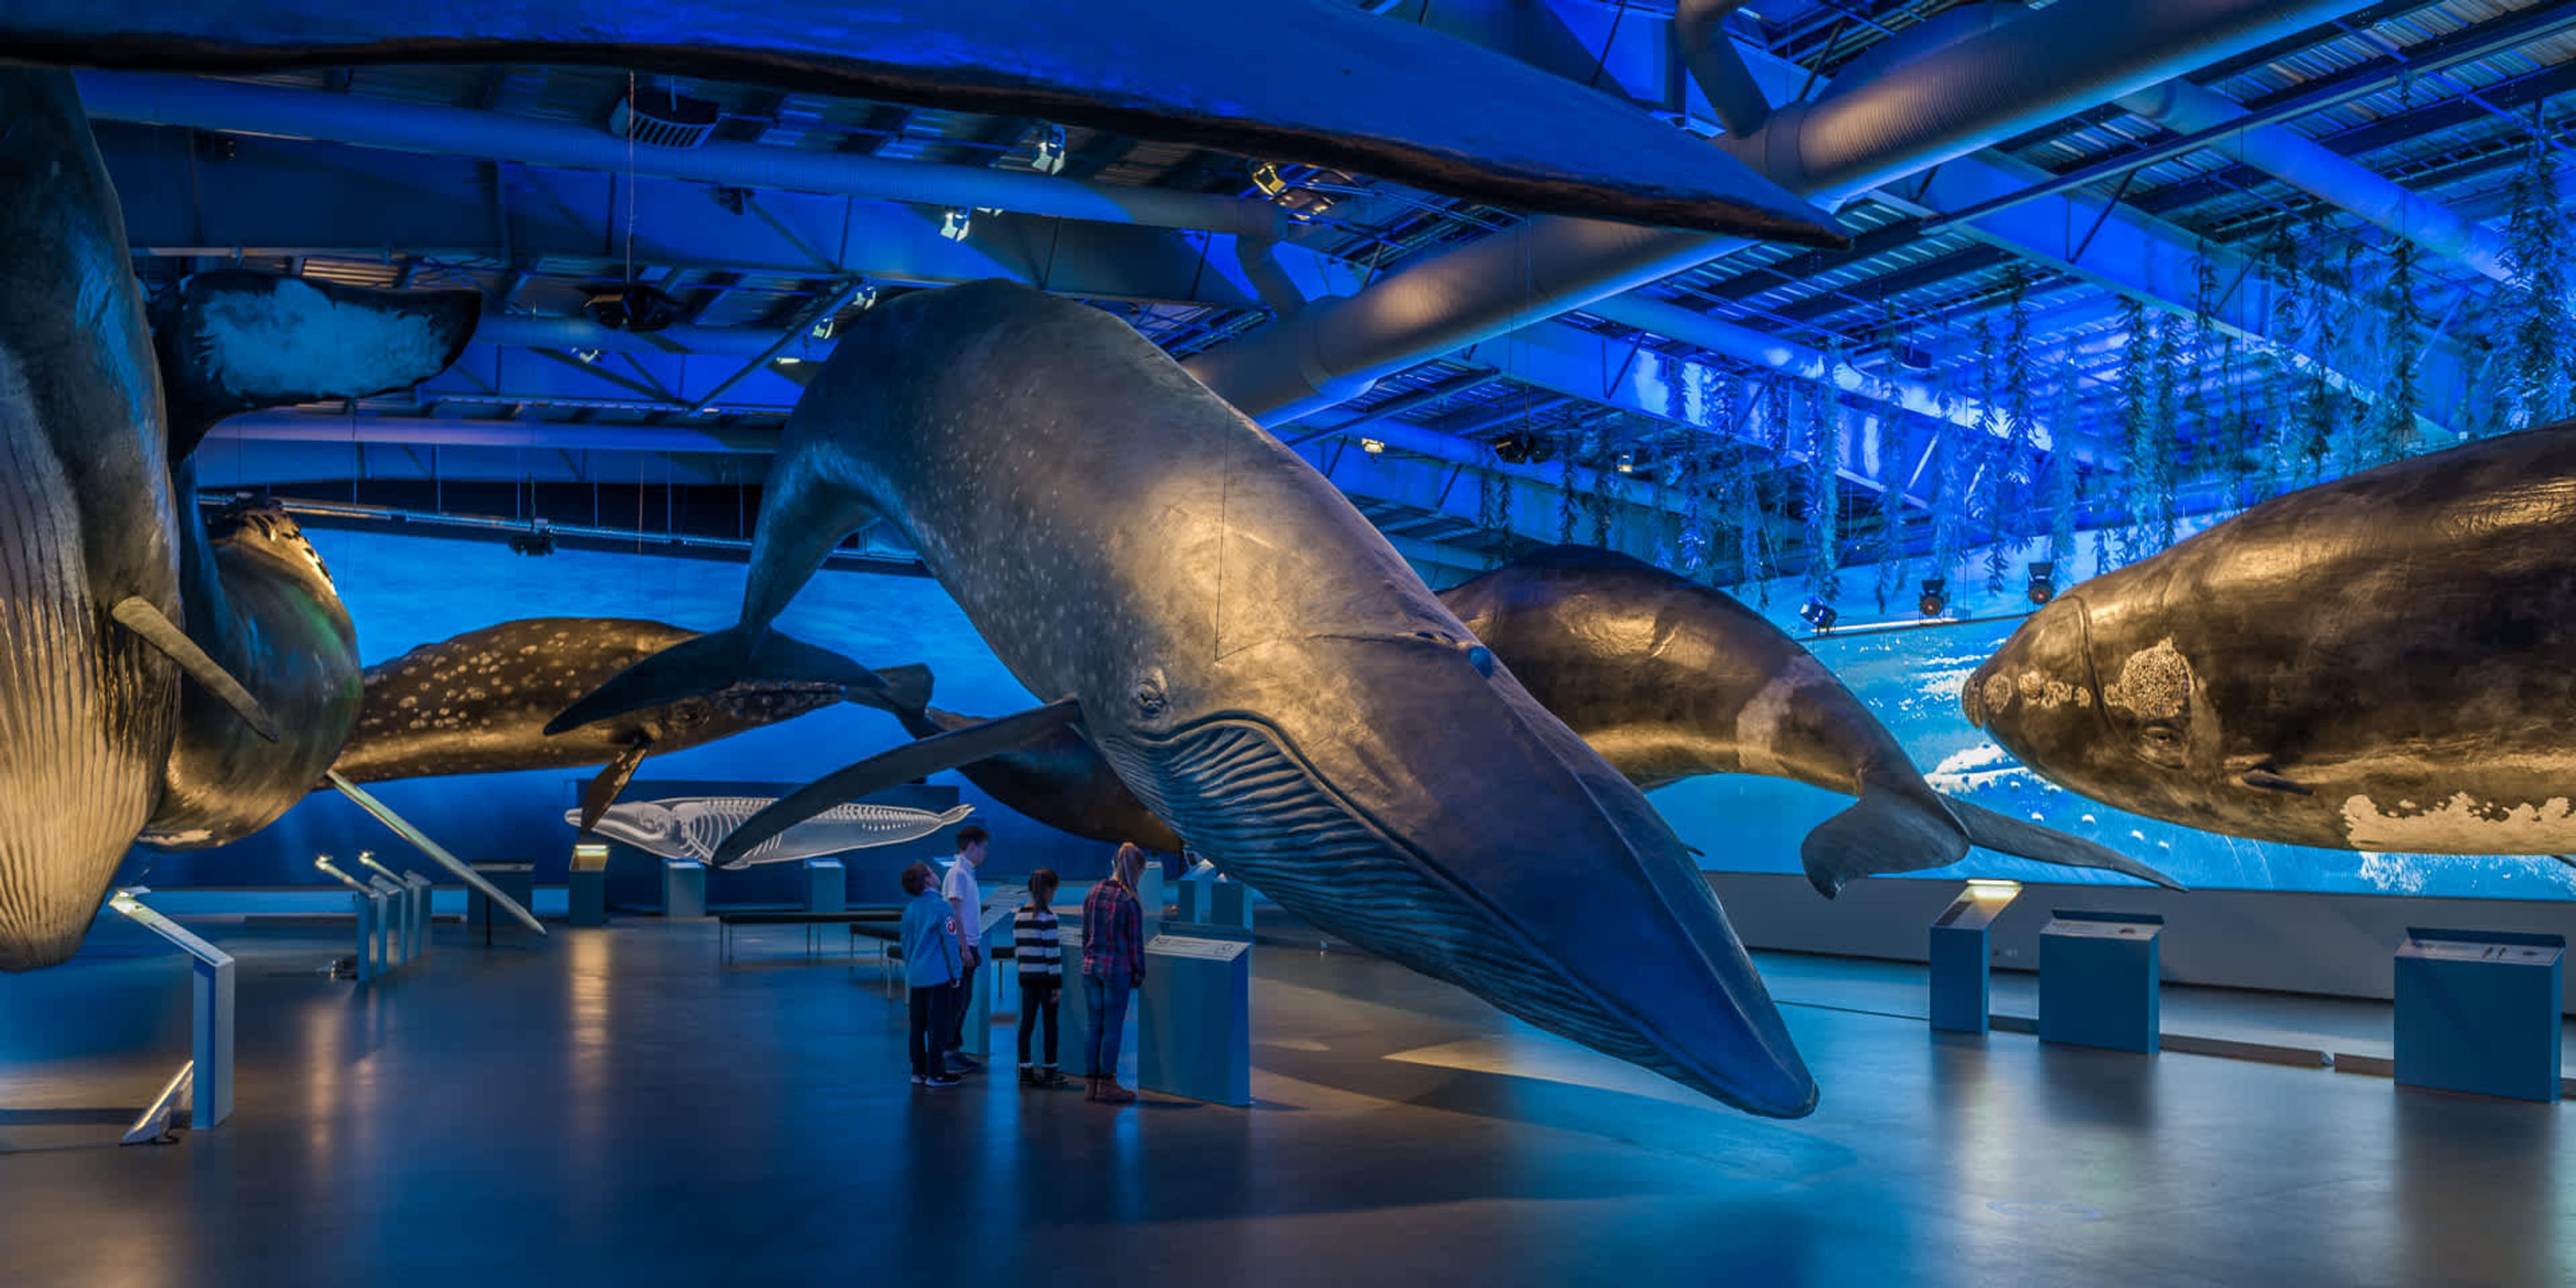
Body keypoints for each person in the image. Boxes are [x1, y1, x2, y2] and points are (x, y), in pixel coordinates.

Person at [1081, 843, 1148, 1104]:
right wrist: (1139, 975)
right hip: (1116, 971)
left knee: (1093, 1026)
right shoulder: (1129, 901)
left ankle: (1090, 1085)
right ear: (1137, 869)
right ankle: (1107, 1084)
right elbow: (1135, 946)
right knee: (1112, 1028)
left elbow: (1086, 935)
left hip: (1090, 969)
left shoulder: (1093, 893)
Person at [898, 862, 963, 1089]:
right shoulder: (943, 908)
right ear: (927, 880)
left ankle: (918, 1072)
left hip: (915, 976)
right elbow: (951, 942)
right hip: (937, 977)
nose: (937, 875)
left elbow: (905, 945)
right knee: (938, 1026)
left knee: (917, 1026)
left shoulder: (910, 910)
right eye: (932, 873)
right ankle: (936, 1072)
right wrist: (957, 971)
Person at [941, 825, 990, 1071]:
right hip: (963, 947)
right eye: (983, 848)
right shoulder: (958, 874)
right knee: (956, 1001)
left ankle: (953, 1048)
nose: (984, 853)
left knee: (963, 1000)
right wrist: (963, 948)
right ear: (972, 846)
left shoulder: (967, 873)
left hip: (970, 944)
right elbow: (954, 915)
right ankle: (947, 1052)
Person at [1014, 869, 1067, 1088]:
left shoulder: (1019, 916)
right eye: (1054, 890)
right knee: (1050, 1025)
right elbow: (1052, 955)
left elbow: (1018, 951)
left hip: (1027, 979)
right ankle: (1050, 1071)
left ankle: (1025, 1071)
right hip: (1046, 981)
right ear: (1047, 890)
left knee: (1026, 1025)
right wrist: (1057, 986)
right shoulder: (1049, 918)